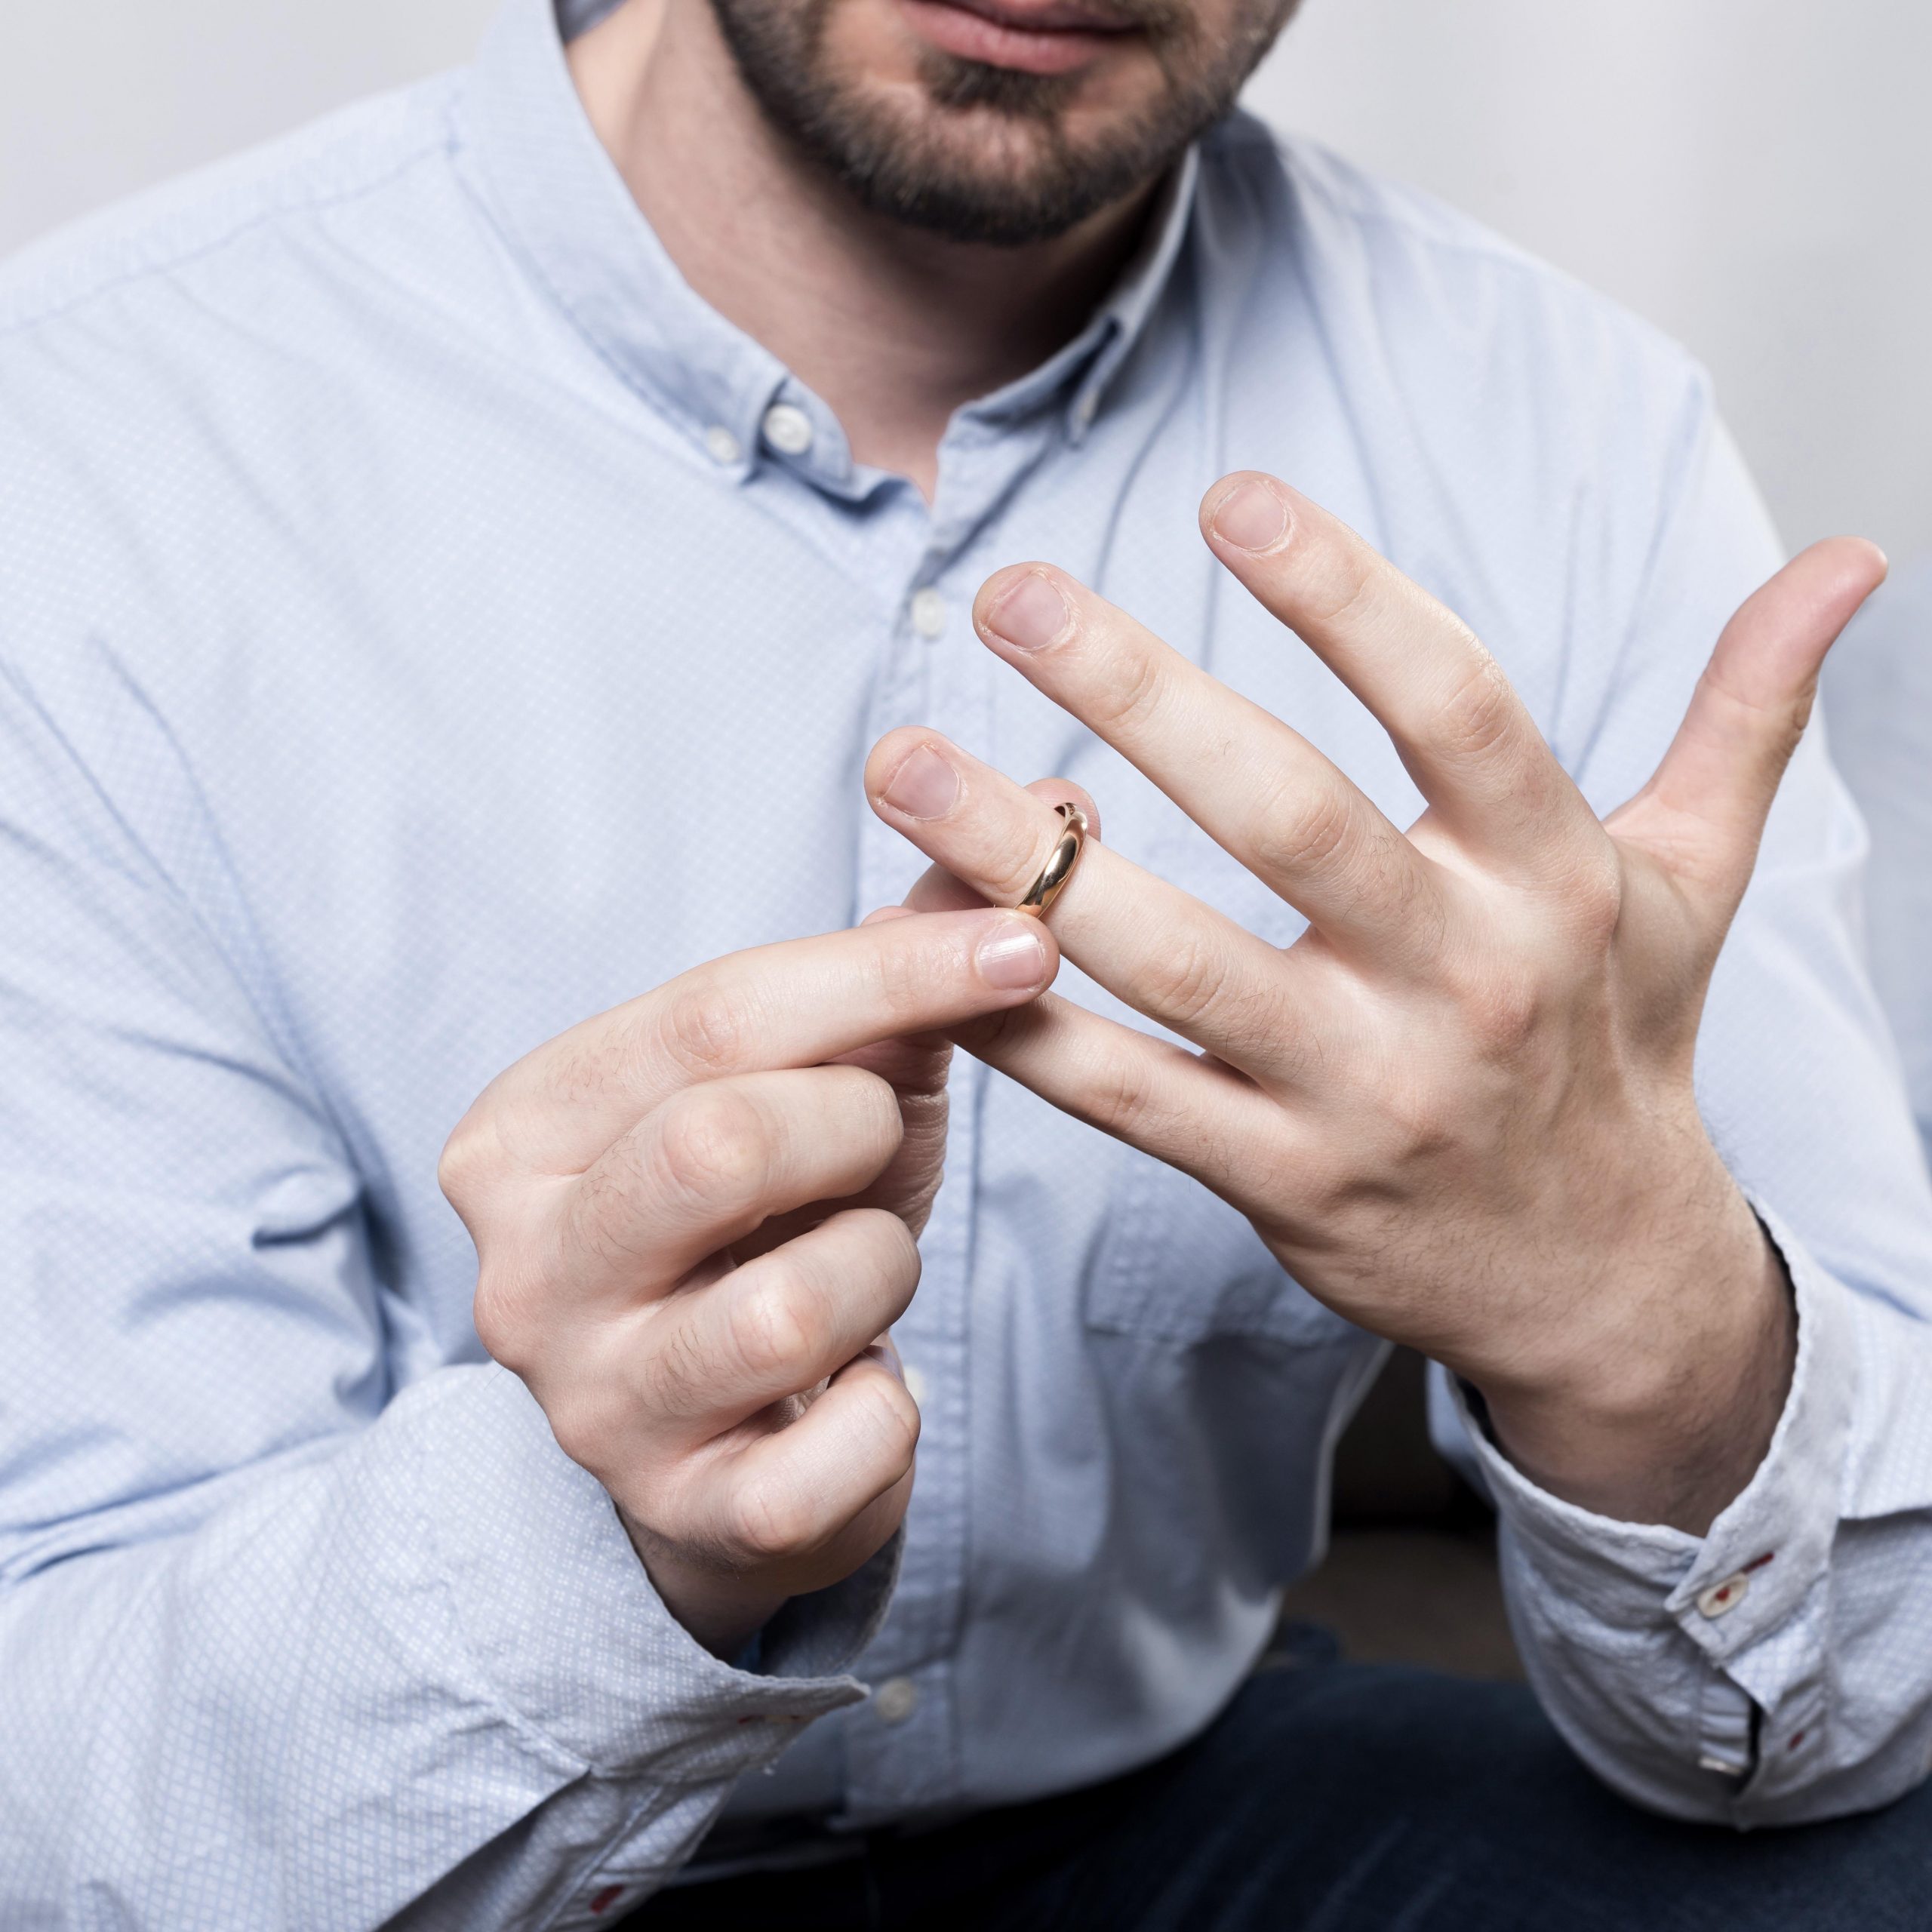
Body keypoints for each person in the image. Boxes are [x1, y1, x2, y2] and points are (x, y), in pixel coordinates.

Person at [1, 0, 1929, 1924]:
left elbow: (1852, 1696)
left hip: (1155, 1798)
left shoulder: (1570, 438)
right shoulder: (89, 451)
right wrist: (606, 1545)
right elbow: (63, 1803)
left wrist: (1648, 1328)